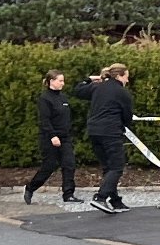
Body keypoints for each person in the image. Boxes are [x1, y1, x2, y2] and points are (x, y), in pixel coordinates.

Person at [72, 63, 133, 213]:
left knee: (108, 168)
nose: (127, 80)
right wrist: (123, 127)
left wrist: (89, 79)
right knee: (117, 167)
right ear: (119, 76)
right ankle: (100, 197)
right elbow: (127, 116)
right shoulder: (122, 93)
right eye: (126, 77)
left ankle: (116, 201)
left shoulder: (97, 87)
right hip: (111, 132)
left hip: (94, 131)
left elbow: (77, 90)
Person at [22, 70, 78, 205]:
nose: (63, 83)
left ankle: (68, 194)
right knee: (49, 166)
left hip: (65, 137)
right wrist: (53, 135)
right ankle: (30, 188)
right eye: (60, 81)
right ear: (51, 81)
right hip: (50, 137)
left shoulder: (63, 97)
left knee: (69, 164)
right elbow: (45, 120)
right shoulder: (45, 98)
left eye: (63, 81)